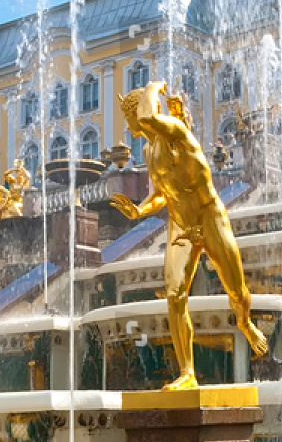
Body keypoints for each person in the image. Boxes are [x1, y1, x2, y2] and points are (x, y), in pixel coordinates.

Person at [110, 81, 269, 390]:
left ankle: (245, 322)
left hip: (209, 217)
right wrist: (139, 211)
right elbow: (162, 193)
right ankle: (187, 373)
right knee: (174, 295)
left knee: (236, 291)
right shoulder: (149, 150)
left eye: (129, 117)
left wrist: (152, 86)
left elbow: (146, 118)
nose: (129, 125)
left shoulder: (178, 133)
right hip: (181, 226)